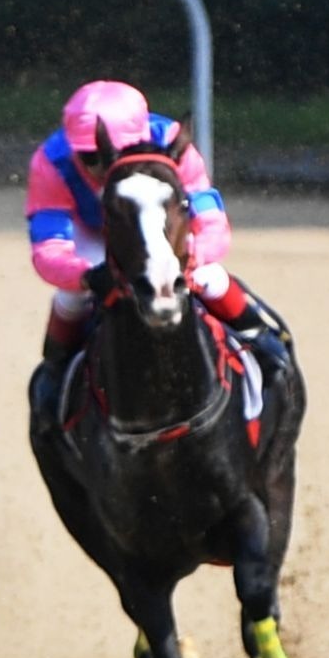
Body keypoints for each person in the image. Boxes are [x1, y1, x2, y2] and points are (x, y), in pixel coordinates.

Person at [27, 79, 286, 428]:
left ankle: (261, 341)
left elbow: (211, 224)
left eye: (104, 154)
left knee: (210, 276)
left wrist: (194, 259)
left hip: (160, 233)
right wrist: (85, 276)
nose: (94, 166)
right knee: (71, 296)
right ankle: (54, 375)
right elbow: (49, 248)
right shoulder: (51, 161)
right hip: (96, 233)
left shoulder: (172, 144)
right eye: (86, 156)